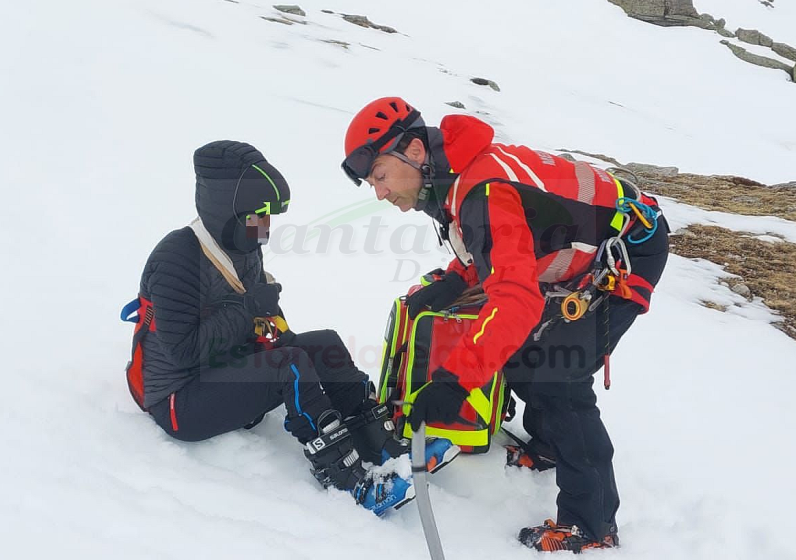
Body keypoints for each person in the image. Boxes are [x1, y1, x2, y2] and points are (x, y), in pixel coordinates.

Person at [341, 98, 669, 550]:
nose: (378, 192)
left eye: (379, 175)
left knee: (560, 375)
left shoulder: (481, 190)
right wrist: (457, 280)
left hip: (629, 249)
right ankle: (551, 445)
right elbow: (504, 246)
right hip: (587, 250)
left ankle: (591, 525)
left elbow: (515, 298)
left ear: (414, 152)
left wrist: (454, 380)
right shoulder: (455, 178)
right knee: (523, 353)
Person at [127, 140, 458, 516]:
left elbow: (261, 319)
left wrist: (276, 326)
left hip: (221, 371)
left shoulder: (244, 245)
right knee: (291, 364)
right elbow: (183, 350)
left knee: (324, 346)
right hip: (178, 401)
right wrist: (252, 308)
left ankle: (382, 446)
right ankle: (350, 482)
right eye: (260, 214)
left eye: (270, 215)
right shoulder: (177, 258)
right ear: (228, 210)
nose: (267, 226)